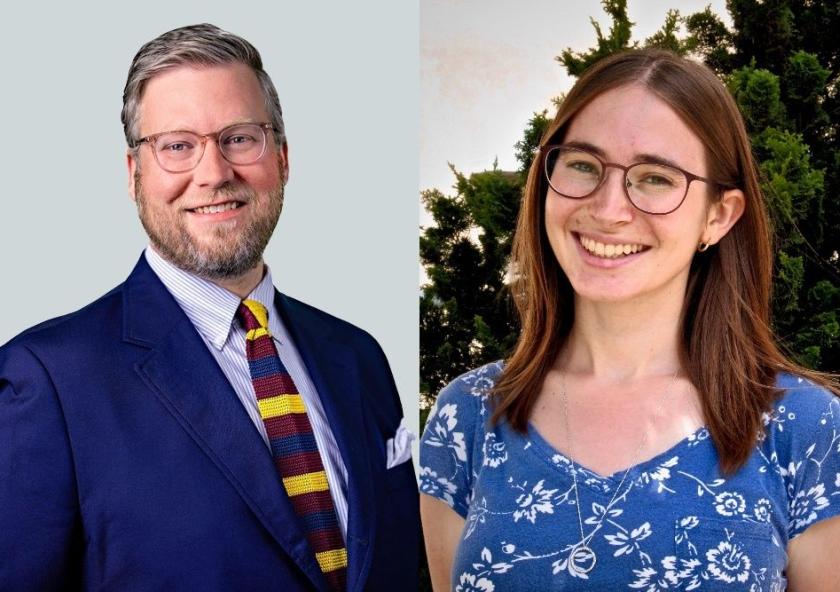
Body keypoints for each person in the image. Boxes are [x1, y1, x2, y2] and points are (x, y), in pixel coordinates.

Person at [0, 24, 418, 591]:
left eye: (240, 138)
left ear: (284, 159)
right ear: (134, 175)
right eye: (177, 146)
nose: (215, 173)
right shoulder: (46, 378)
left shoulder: (359, 355)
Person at [420, 49, 840, 591]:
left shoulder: (808, 431)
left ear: (719, 215)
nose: (609, 208)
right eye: (582, 165)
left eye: (656, 178)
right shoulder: (468, 416)